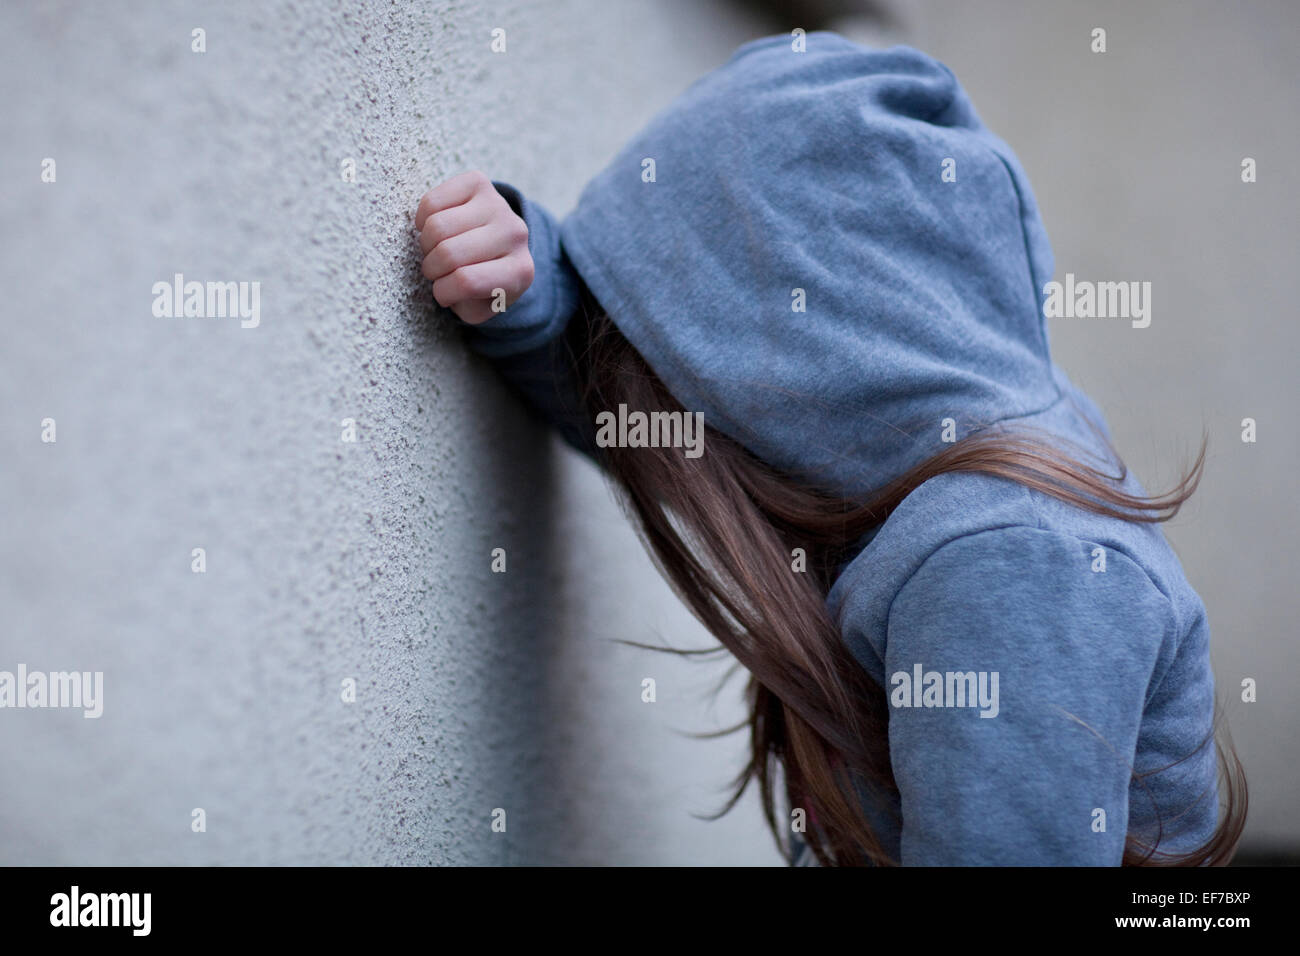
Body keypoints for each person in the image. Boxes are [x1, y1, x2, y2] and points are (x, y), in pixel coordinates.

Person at [413, 32, 1245, 865]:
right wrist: (534, 294)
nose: (668, 429)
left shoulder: (1006, 564)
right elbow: (673, 437)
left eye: (656, 360)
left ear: (768, 394)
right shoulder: (932, 443)